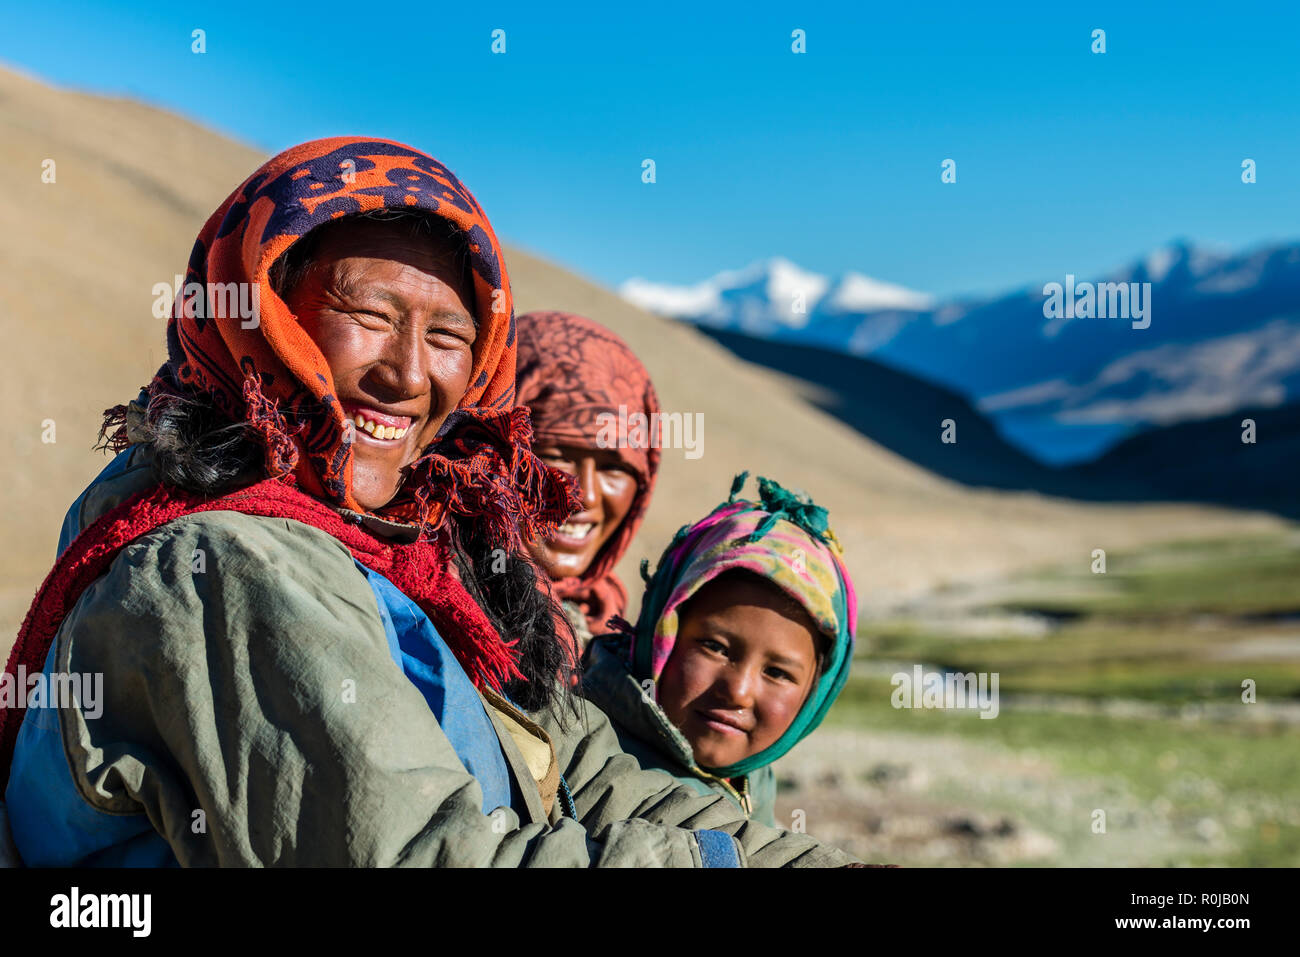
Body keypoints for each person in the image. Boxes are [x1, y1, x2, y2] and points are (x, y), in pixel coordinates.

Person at [0, 137, 860, 867]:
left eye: (449, 336)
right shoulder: (228, 566)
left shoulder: (423, 562)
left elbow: (589, 769)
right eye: (365, 315)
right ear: (258, 313)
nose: (410, 375)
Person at [581, 472, 857, 828]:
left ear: (815, 694)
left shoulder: (751, 776)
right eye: (715, 648)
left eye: (777, 672)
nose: (738, 692)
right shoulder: (590, 756)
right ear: (660, 631)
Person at [515, 311, 659, 652]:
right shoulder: (426, 595)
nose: (585, 496)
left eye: (614, 468)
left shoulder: (616, 633)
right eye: (556, 456)